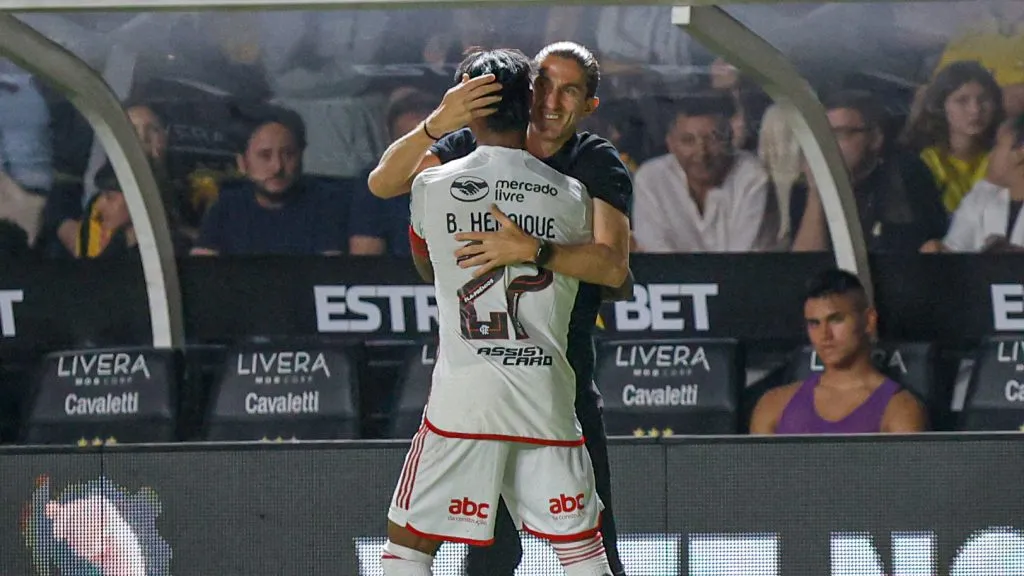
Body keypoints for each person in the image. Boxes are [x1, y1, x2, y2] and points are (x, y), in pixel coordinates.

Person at [369, 41, 630, 576]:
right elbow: (612, 273)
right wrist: (439, 124)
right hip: (545, 391)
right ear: (525, 93)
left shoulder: (588, 161)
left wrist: (528, 249)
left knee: (412, 547)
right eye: (543, 86)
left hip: (503, 392)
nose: (552, 101)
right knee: (568, 552)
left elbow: (615, 272)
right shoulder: (571, 193)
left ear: (588, 105)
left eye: (570, 90)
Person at [750, 269, 928, 434]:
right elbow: (754, 468)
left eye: (836, 320)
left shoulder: (900, 409)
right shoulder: (773, 404)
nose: (824, 335)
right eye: (814, 323)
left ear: (869, 321)